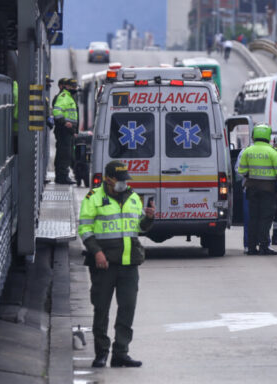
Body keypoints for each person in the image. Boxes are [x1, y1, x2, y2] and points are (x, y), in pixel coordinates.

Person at [78, 161, 155, 368]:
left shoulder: (133, 197)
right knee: (101, 309)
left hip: (129, 263)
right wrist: (97, 252)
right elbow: (85, 229)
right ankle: (101, 353)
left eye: (125, 180)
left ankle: (121, 352)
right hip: (104, 264)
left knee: (127, 309)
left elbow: (139, 227)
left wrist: (149, 218)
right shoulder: (93, 197)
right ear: (108, 178)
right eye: (120, 180)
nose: (123, 183)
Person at [236, 124, 277, 255]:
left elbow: (241, 171)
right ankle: (264, 246)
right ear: (268, 136)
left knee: (253, 218)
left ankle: (251, 248)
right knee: (265, 218)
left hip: (251, 190)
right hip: (268, 191)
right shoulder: (273, 152)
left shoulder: (247, 151)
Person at [53, 77, 79, 184]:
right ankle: (62, 177)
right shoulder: (64, 97)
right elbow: (56, 112)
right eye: (72, 86)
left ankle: (63, 176)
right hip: (64, 131)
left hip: (68, 131)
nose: (74, 88)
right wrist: (64, 122)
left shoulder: (70, 97)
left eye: (75, 86)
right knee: (64, 154)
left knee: (66, 154)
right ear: (67, 86)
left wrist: (74, 131)